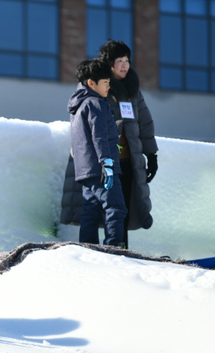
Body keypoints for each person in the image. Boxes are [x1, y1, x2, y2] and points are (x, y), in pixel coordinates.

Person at [99, 39, 158, 245]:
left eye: (127, 60)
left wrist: (151, 155)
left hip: (128, 161)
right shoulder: (99, 87)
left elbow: (145, 122)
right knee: (106, 209)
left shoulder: (133, 89)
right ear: (109, 63)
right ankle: (105, 251)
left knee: (123, 207)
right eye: (119, 60)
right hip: (105, 162)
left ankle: (122, 250)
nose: (125, 65)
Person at [68, 59, 127, 247]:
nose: (109, 86)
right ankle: (114, 248)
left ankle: (88, 249)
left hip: (85, 170)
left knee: (91, 212)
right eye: (105, 82)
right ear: (91, 83)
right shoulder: (96, 104)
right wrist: (107, 163)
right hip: (102, 169)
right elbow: (99, 137)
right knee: (116, 208)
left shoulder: (78, 106)